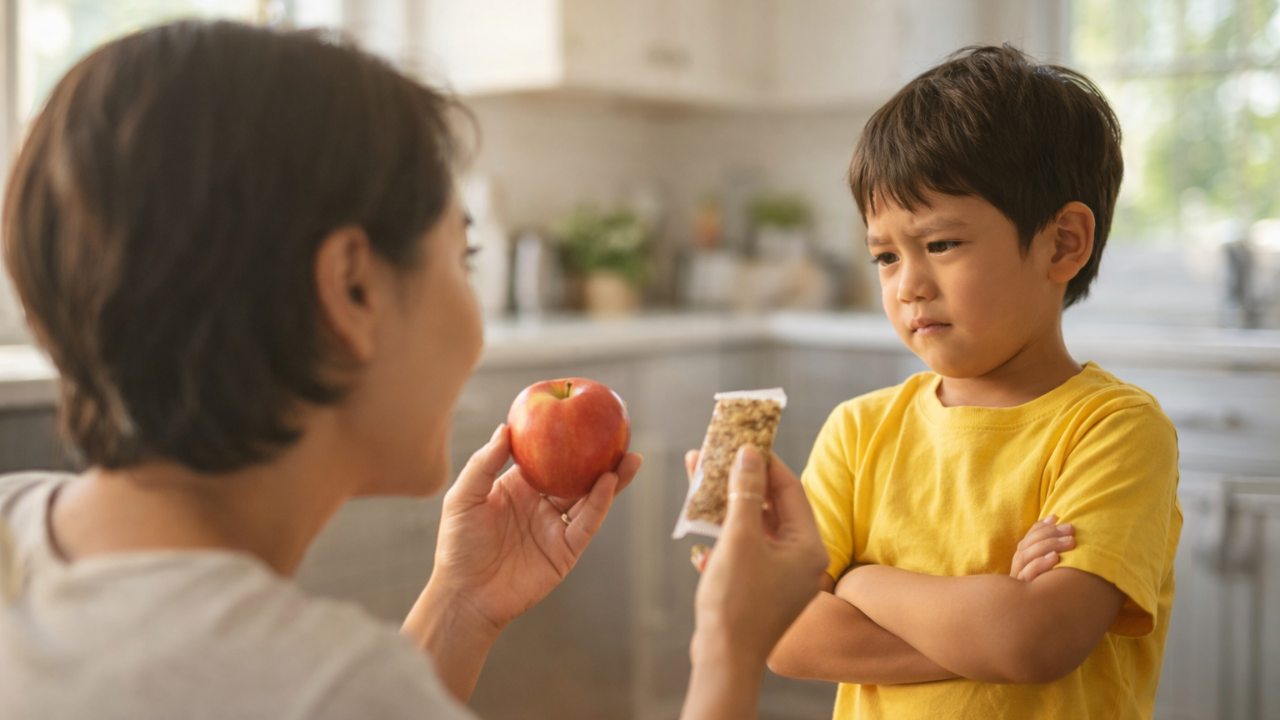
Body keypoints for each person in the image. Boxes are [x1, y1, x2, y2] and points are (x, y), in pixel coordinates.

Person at [0, 21, 829, 720]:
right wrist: (730, 646)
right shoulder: (335, 689)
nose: (475, 323)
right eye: (461, 257)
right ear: (353, 289)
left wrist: (461, 605)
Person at [767, 45, 1182, 720]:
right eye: (884, 256)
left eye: (940, 245)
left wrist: (860, 581)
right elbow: (781, 632)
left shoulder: (1115, 431)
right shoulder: (857, 431)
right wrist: (986, 621)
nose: (908, 286)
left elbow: (1035, 639)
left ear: (1063, 244)